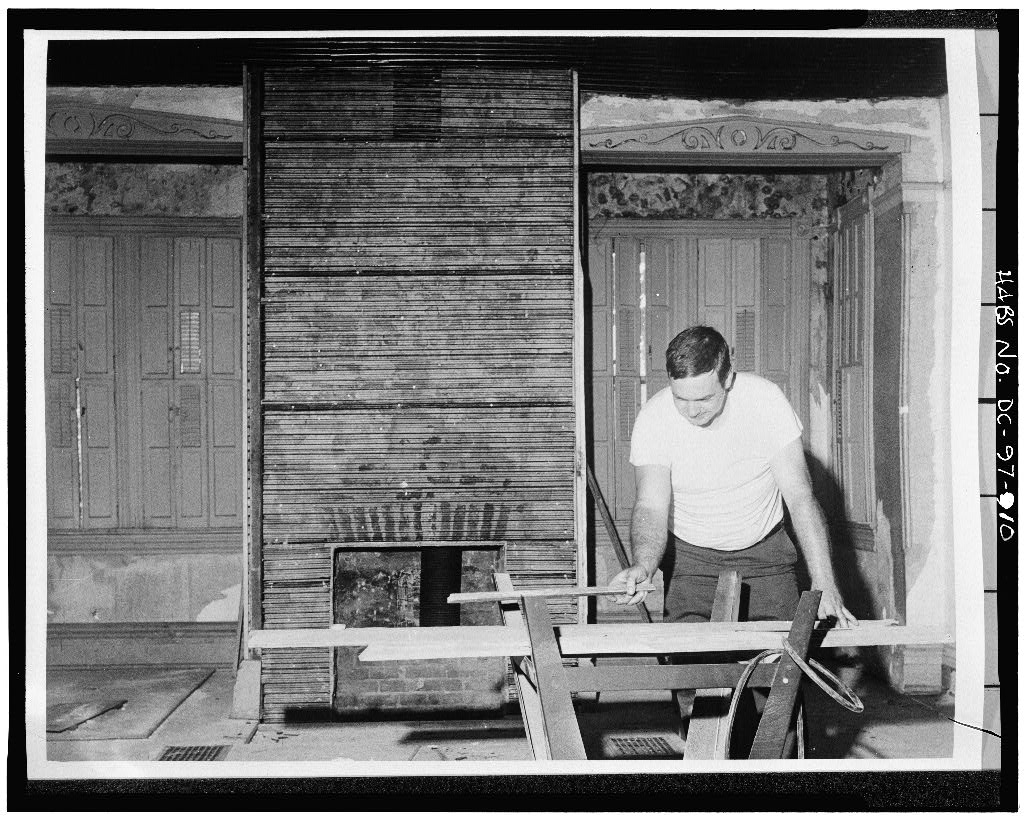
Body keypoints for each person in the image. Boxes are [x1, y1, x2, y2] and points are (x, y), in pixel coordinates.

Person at [611, 324, 858, 628]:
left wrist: (824, 585)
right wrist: (644, 565)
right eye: (680, 398)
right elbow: (650, 505)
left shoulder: (765, 402)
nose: (690, 411)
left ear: (727, 378)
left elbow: (799, 496)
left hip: (766, 557)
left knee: (782, 665)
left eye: (703, 399)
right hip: (692, 562)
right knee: (695, 672)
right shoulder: (654, 418)